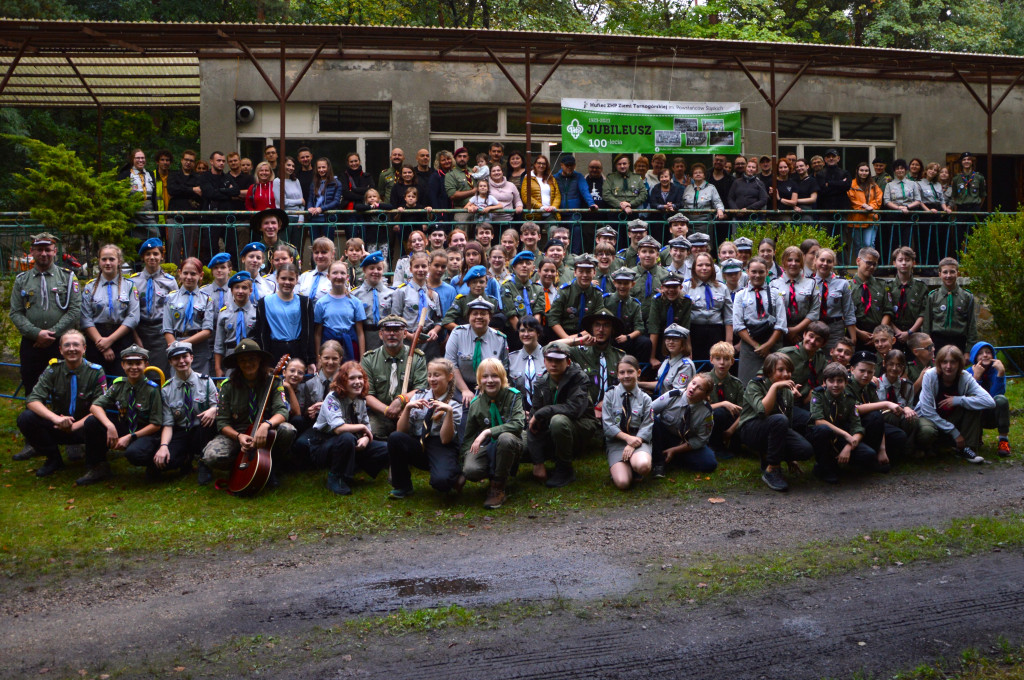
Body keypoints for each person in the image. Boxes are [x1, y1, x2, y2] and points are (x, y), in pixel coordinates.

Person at [201, 339, 297, 488]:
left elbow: (282, 411)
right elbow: (222, 422)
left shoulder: (273, 381)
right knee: (212, 456)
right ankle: (241, 466)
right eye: (243, 360)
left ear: (259, 360)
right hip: (238, 433)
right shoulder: (227, 386)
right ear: (238, 364)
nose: (247, 364)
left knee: (287, 430)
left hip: (266, 432)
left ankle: (272, 466)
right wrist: (239, 437)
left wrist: (266, 425)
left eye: (251, 359)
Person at [15, 330, 106, 473]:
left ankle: (95, 465)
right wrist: (56, 419)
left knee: (97, 421)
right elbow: (33, 400)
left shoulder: (95, 372)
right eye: (67, 345)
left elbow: (100, 407)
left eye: (76, 345)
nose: (71, 349)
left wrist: (75, 426)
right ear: (60, 350)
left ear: (84, 348)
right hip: (59, 424)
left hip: (85, 426)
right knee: (26, 418)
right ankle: (53, 459)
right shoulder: (53, 369)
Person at [80, 345, 163, 485]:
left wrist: (130, 437)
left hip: (145, 433)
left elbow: (156, 424)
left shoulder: (152, 390)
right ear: (123, 365)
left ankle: (153, 465)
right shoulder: (119, 385)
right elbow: (95, 406)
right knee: (92, 422)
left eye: (138, 363)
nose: (134, 367)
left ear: (146, 365)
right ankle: (98, 466)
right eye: (129, 363)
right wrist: (110, 426)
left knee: (134, 453)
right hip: (125, 426)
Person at [10, 232, 82, 395]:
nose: (44, 253)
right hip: (31, 343)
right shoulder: (22, 280)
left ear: (55, 251)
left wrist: (51, 334)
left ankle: (62, 420)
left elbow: (75, 310)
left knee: (63, 388)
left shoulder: (68, 278)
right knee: (32, 386)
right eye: (39, 249)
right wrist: (36, 334)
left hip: (61, 343)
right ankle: (33, 419)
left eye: (48, 250)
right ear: (32, 251)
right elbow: (16, 313)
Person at [306, 360, 389, 496]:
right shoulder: (332, 398)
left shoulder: (360, 399)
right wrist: (362, 427)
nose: (357, 382)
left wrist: (366, 440)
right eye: (352, 378)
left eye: (360, 378)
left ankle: (351, 470)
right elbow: (339, 428)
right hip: (324, 445)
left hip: (351, 442)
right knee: (346, 437)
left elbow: (367, 428)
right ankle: (335, 477)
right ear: (343, 381)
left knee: (386, 448)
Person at [526, 342, 600, 488]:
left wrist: (543, 412)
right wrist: (538, 463)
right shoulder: (541, 382)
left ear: (568, 362)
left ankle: (565, 469)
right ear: (544, 361)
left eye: (558, 360)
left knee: (558, 421)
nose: (553, 364)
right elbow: (533, 418)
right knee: (521, 442)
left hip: (580, 426)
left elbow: (574, 409)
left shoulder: (580, 378)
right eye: (550, 360)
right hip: (551, 429)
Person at [387, 357, 464, 498]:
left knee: (442, 483)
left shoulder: (455, 403)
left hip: (440, 445)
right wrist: (408, 408)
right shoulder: (419, 396)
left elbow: (446, 440)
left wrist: (449, 413)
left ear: (449, 377)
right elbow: (401, 431)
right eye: (429, 375)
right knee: (395, 438)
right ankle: (402, 486)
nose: (432, 379)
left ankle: (455, 473)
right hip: (419, 443)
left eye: (437, 375)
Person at [737, 352, 814, 492]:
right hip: (750, 430)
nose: (786, 374)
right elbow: (762, 411)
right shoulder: (755, 385)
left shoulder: (787, 392)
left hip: (775, 430)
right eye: (780, 370)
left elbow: (788, 423)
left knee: (805, 450)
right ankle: (772, 469)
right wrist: (774, 387)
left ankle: (770, 457)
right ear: (769, 371)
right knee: (779, 419)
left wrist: (790, 458)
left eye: (789, 371)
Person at [461, 358, 526, 509]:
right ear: (479, 380)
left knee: (505, 438)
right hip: (488, 447)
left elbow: (517, 425)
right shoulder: (476, 404)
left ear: (502, 378)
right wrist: (461, 469)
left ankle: (498, 486)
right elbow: (468, 437)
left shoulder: (513, 396)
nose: (490, 380)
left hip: (514, 442)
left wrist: (487, 432)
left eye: (495, 376)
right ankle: (494, 470)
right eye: (485, 376)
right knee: (470, 470)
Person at [155, 341, 219, 482]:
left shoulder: (206, 381)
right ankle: (185, 459)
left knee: (208, 422)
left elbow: (218, 405)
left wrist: (214, 409)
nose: (181, 361)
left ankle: (204, 463)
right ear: (171, 362)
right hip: (181, 431)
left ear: (191, 357)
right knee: (164, 464)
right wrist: (164, 446)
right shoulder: (166, 389)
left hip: (202, 430)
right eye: (176, 358)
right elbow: (168, 423)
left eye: (185, 356)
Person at [807, 362, 877, 484]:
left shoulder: (849, 399)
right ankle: (823, 467)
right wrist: (846, 435)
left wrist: (848, 447)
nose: (835, 385)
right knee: (824, 430)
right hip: (820, 435)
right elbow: (818, 421)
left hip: (839, 437)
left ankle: (840, 464)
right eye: (831, 381)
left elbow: (858, 428)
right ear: (824, 382)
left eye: (839, 381)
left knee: (869, 455)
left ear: (845, 382)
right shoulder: (818, 394)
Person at [361, 315, 428, 439]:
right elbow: (366, 394)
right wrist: (387, 410)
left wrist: (401, 400)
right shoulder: (369, 359)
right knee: (370, 432)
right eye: (387, 330)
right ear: (381, 334)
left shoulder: (417, 358)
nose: (392, 334)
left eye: (397, 330)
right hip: (380, 413)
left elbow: (421, 389)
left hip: (409, 412)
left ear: (405, 334)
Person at [80, 244, 140, 377]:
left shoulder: (129, 286)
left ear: (119, 261)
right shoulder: (90, 287)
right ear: (99, 261)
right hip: (96, 339)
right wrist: (102, 343)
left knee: (121, 380)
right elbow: (85, 318)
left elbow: (133, 317)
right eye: (104, 259)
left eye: (112, 259)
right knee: (96, 381)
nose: (108, 263)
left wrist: (110, 340)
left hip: (121, 338)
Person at [846, 350, 911, 466]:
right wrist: (886, 403)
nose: (866, 375)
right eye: (862, 371)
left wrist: (882, 449)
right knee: (874, 417)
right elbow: (856, 409)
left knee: (899, 435)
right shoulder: (846, 384)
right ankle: (870, 459)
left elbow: (878, 415)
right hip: (850, 427)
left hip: (868, 426)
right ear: (852, 369)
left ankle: (883, 457)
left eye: (870, 372)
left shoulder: (869, 386)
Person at [445, 296, 510, 406]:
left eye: (483, 313)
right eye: (475, 313)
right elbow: (450, 365)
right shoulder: (458, 333)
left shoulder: (500, 339)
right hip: (460, 387)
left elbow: (504, 369)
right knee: (464, 417)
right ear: (469, 316)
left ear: (490, 317)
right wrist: (465, 390)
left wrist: (488, 389)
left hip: (490, 386)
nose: (479, 317)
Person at [732, 256, 786, 385]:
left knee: (775, 381)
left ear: (767, 272)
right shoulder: (740, 295)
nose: (757, 275)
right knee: (748, 384)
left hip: (772, 343)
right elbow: (738, 325)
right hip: (750, 345)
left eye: (761, 272)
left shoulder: (776, 294)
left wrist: (768, 346)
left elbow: (781, 323)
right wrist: (756, 346)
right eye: (754, 272)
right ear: (747, 272)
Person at [651, 372, 717, 478]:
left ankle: (673, 457)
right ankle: (659, 463)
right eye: (693, 383)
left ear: (706, 395)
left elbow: (701, 439)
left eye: (699, 388)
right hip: (662, 436)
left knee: (709, 463)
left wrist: (675, 450)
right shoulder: (673, 395)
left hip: (683, 443)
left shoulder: (706, 412)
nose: (693, 388)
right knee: (652, 419)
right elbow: (649, 410)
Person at [604, 355, 654, 489]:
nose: (626, 375)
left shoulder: (645, 398)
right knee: (623, 483)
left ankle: (635, 465)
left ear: (638, 373)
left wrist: (633, 443)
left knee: (643, 466)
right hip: (617, 441)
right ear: (618, 375)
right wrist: (627, 439)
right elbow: (607, 425)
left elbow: (647, 425)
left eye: (630, 371)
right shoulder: (610, 396)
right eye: (622, 372)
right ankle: (622, 468)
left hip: (639, 441)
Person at [130, 237, 178, 375]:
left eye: (156, 254)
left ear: (162, 257)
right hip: (140, 330)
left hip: (161, 332)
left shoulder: (170, 281)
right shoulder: (133, 281)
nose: (152, 257)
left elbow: (173, 309)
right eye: (148, 254)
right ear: (143, 257)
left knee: (161, 373)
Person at [313, 260, 366, 361]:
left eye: (342, 273)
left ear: (347, 277)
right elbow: (318, 333)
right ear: (328, 276)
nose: (339, 276)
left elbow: (360, 333)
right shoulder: (321, 303)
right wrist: (318, 358)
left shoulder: (355, 302)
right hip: (329, 348)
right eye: (335, 273)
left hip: (350, 346)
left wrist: (362, 358)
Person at [922, 257, 977, 352]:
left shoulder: (967, 297)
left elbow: (972, 325)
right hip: (938, 341)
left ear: (958, 273)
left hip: (959, 341)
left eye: (952, 272)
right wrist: (928, 347)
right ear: (939, 274)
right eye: (945, 272)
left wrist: (968, 350)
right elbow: (927, 324)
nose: (948, 275)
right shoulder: (933, 296)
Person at [686, 252, 733, 362]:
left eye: (708, 265)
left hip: (716, 332)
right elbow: (684, 319)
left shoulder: (722, 287)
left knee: (716, 365)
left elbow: (729, 317)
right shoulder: (686, 287)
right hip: (694, 332)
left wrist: (728, 343)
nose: (704, 268)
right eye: (700, 265)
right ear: (694, 268)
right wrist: (687, 346)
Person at [969, 341, 1011, 456]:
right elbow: (970, 397)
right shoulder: (968, 372)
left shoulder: (997, 370)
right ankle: (976, 437)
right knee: (972, 403)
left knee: (1001, 399)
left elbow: (995, 397)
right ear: (975, 357)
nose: (985, 355)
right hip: (975, 413)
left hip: (993, 413)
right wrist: (976, 377)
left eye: (988, 352)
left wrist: (1001, 373)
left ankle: (1003, 440)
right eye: (980, 353)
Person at [213, 272, 257, 377]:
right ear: (231, 290)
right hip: (231, 355)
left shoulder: (257, 312)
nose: (240, 291)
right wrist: (218, 368)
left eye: (244, 288)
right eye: (237, 287)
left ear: (250, 291)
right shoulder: (224, 313)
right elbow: (219, 343)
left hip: (252, 355)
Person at [602, 267, 651, 362]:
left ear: (632, 284)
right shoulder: (606, 300)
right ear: (614, 283)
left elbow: (639, 328)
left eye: (626, 283)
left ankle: (640, 371)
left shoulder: (635, 304)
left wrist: (627, 337)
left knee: (645, 342)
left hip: (627, 337)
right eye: (619, 283)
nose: (622, 286)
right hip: (608, 337)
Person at [812, 248, 856, 351]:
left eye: (829, 261)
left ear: (834, 263)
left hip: (835, 329)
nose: (825, 264)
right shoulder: (809, 283)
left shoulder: (843, 284)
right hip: (814, 329)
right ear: (816, 260)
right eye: (822, 260)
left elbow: (849, 312)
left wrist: (853, 338)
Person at [646, 274, 693, 368]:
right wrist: (652, 358)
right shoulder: (657, 300)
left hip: (678, 338)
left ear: (681, 287)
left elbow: (686, 329)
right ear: (662, 288)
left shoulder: (686, 301)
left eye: (675, 287)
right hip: (660, 338)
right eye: (668, 287)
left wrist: (689, 353)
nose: (671, 290)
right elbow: (654, 329)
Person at [884, 246, 928, 346]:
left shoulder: (921, 287)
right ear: (894, 263)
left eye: (907, 260)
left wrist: (909, 332)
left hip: (915, 333)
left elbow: (923, 313)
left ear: (913, 263)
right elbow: (886, 311)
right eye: (900, 260)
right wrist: (897, 332)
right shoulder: (888, 287)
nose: (904, 263)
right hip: (893, 333)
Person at [707, 341, 744, 457]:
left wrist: (730, 431)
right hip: (708, 422)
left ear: (732, 361)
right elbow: (699, 407)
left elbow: (744, 411)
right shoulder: (704, 381)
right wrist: (723, 404)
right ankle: (715, 447)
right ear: (711, 360)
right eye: (718, 358)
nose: (722, 363)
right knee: (719, 412)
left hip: (731, 424)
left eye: (726, 359)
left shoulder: (737, 384)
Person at [352, 251, 394, 353]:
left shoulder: (391, 293)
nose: (375, 271)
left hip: (386, 335)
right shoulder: (355, 295)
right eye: (371, 268)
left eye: (379, 269)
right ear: (364, 270)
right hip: (365, 335)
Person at [641, 323, 695, 397]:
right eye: (668, 339)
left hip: (676, 406)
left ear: (683, 343)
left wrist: (655, 405)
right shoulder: (667, 361)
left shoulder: (685, 365)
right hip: (665, 403)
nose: (671, 342)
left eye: (675, 339)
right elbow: (661, 384)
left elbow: (676, 393)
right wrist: (638, 384)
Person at [850, 247, 887, 350]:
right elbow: (843, 314)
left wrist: (878, 334)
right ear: (858, 261)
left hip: (877, 335)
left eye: (874, 264)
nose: (871, 267)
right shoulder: (848, 286)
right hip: (854, 332)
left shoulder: (882, 286)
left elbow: (887, 311)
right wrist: (858, 332)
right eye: (868, 263)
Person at [882, 159, 924, 249]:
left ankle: (906, 261)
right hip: (894, 215)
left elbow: (918, 200)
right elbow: (886, 201)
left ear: (905, 170)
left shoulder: (913, 184)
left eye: (902, 168)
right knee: (894, 241)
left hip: (908, 215)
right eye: (897, 168)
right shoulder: (889, 185)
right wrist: (898, 208)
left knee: (907, 241)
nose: (900, 170)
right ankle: (895, 261)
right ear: (894, 171)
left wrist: (907, 207)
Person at [508, 315, 545, 415]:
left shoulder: (548, 357)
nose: (526, 334)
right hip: (519, 411)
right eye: (522, 330)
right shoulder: (511, 359)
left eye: (530, 330)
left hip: (545, 410)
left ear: (538, 333)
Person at [846, 162, 883, 259]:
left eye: (866, 170)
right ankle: (861, 267)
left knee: (869, 243)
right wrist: (863, 206)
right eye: (861, 170)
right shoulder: (851, 184)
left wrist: (871, 206)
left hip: (871, 218)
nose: (864, 173)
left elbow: (878, 199)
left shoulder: (874, 185)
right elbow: (851, 199)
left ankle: (871, 265)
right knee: (858, 244)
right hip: (856, 219)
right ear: (857, 171)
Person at [307, 157, 342, 240]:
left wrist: (321, 209)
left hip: (328, 218)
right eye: (319, 167)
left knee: (328, 245)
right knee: (314, 246)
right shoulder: (314, 183)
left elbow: (336, 201)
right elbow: (310, 199)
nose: (321, 170)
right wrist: (309, 207)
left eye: (323, 167)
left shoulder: (336, 183)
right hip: (314, 218)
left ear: (328, 168)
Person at [815, 148, 852, 213]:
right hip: (824, 209)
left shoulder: (845, 173)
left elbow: (847, 186)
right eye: (828, 157)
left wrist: (829, 183)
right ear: (825, 160)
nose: (831, 158)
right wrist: (840, 183)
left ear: (838, 158)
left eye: (833, 156)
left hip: (842, 208)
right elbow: (822, 191)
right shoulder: (820, 174)